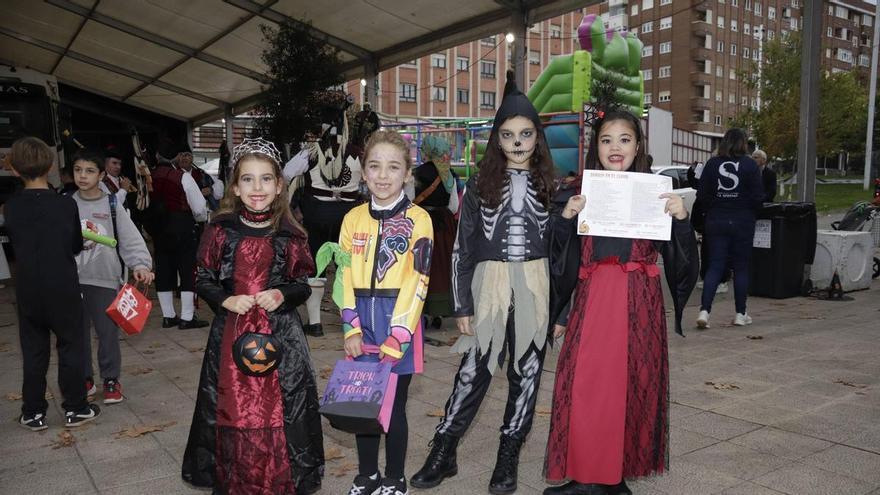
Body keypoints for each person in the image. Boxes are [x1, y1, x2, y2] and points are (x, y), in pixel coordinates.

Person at [411, 73, 558, 495]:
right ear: (496, 139)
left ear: (537, 138)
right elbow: (463, 249)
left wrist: (563, 310)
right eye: (508, 134)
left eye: (525, 134)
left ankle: (507, 455)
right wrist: (462, 306)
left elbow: (567, 254)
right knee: (472, 371)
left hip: (535, 286)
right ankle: (445, 448)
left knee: (526, 373)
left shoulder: (555, 188)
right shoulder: (478, 186)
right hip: (488, 287)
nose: (516, 142)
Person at [543, 109, 698, 495]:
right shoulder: (581, 190)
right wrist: (565, 219)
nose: (616, 147)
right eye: (607, 139)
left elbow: (681, 268)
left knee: (628, 385)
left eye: (625, 139)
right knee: (583, 384)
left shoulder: (655, 192)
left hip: (638, 301)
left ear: (638, 145)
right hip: (593, 297)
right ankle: (584, 475)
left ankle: (613, 478)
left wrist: (681, 221)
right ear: (596, 147)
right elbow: (563, 262)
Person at [181, 138, 324, 495]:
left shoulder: (291, 234)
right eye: (247, 179)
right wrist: (226, 300)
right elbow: (202, 277)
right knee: (235, 403)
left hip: (282, 336)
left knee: (282, 403)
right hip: (233, 333)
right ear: (235, 186)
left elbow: (302, 283)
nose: (256, 188)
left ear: (279, 185)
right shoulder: (221, 229)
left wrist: (282, 294)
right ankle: (238, 473)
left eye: (264, 180)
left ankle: (282, 473)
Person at [339, 130, 433, 495]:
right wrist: (350, 327)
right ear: (363, 172)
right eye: (374, 166)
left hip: (401, 320)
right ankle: (367, 476)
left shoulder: (420, 219)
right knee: (361, 401)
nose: (382, 175)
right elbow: (344, 275)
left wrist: (400, 334)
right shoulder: (352, 219)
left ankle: (395, 478)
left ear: (407, 174)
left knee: (393, 406)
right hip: (360, 321)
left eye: (393, 167)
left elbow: (417, 280)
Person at [5, 136, 101, 430]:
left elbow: (14, 246)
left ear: (15, 169)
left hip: (28, 289)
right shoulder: (65, 205)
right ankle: (75, 408)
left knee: (33, 350)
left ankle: (33, 412)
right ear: (51, 167)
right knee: (71, 346)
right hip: (63, 286)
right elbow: (73, 244)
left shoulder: (10, 207)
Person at [70, 149, 154, 404]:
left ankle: (110, 379)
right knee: (76, 335)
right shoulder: (66, 205)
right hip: (72, 281)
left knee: (107, 335)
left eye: (90, 171)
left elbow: (130, 239)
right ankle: (84, 378)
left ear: (102, 175)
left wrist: (140, 264)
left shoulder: (112, 204)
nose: (83, 176)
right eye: (78, 170)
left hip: (105, 280)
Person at [290, 94, 365, 337]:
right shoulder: (359, 153)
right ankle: (352, 324)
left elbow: (284, 173)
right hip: (349, 219)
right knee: (350, 268)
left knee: (317, 268)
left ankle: (315, 324)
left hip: (318, 216)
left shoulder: (310, 152)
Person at [696, 128, 764, 328]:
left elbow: (702, 195)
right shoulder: (750, 165)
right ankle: (740, 314)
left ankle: (704, 311)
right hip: (742, 220)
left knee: (715, 266)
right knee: (741, 267)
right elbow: (758, 197)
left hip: (716, 220)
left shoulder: (712, 164)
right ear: (743, 143)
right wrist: (749, 212)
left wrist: (713, 209)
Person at [149, 142, 209, 329]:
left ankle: (168, 316)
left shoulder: (148, 176)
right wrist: (198, 219)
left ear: (157, 156)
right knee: (186, 270)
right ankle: (187, 317)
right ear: (176, 157)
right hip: (182, 226)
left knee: (164, 270)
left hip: (158, 229)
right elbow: (199, 209)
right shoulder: (182, 177)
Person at [412, 135, 460, 327]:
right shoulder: (449, 176)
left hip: (420, 225)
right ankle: (438, 313)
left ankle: (420, 310)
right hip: (443, 227)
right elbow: (455, 207)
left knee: (419, 266)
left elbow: (408, 201)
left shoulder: (416, 173)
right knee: (441, 268)